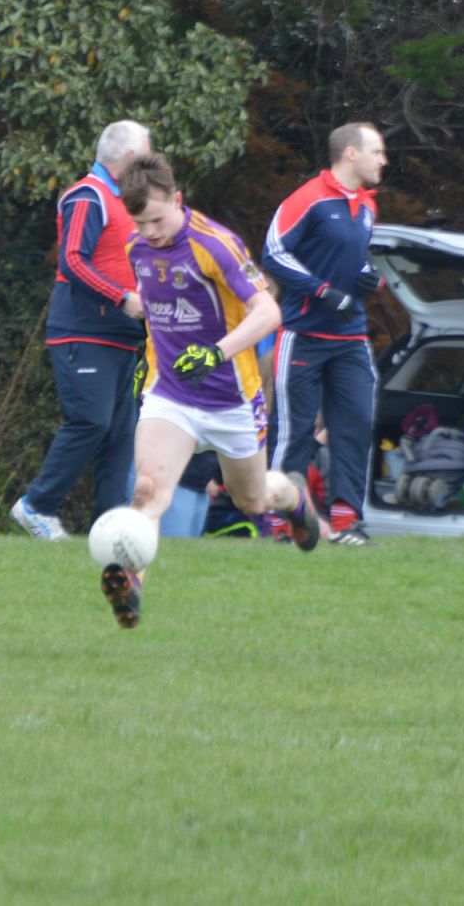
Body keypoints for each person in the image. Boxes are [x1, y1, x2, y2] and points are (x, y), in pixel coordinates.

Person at [100, 151, 320, 629]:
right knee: (148, 490)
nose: (150, 232)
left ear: (176, 199)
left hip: (232, 400)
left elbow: (267, 313)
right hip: (172, 395)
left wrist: (216, 353)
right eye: (140, 224)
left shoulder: (214, 244)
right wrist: (149, 360)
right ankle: (131, 583)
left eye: (157, 219)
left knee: (252, 501)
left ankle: (294, 498)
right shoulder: (138, 250)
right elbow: (163, 314)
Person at [10, 121, 150, 539]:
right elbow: (72, 260)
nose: (149, 165)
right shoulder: (88, 195)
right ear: (125, 157)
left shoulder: (127, 201)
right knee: (90, 421)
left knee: (121, 434)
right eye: (144, 156)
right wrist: (121, 298)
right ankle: (36, 506)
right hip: (84, 332)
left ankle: (108, 528)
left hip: (124, 338)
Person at [262, 122, 385, 546]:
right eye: (376, 151)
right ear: (350, 154)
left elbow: (356, 262)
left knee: (356, 423)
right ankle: (279, 521)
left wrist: (371, 279)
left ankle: (347, 520)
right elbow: (273, 252)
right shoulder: (309, 199)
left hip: (350, 337)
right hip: (301, 334)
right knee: (292, 431)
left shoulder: (367, 206)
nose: (383, 160)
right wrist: (322, 291)